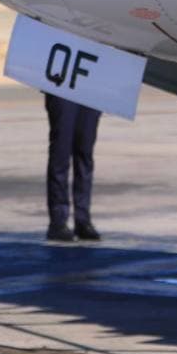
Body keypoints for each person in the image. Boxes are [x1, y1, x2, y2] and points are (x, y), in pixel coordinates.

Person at [44, 93, 102, 242]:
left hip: (91, 91)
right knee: (61, 154)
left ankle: (83, 219)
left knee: (85, 154)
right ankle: (58, 222)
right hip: (63, 90)